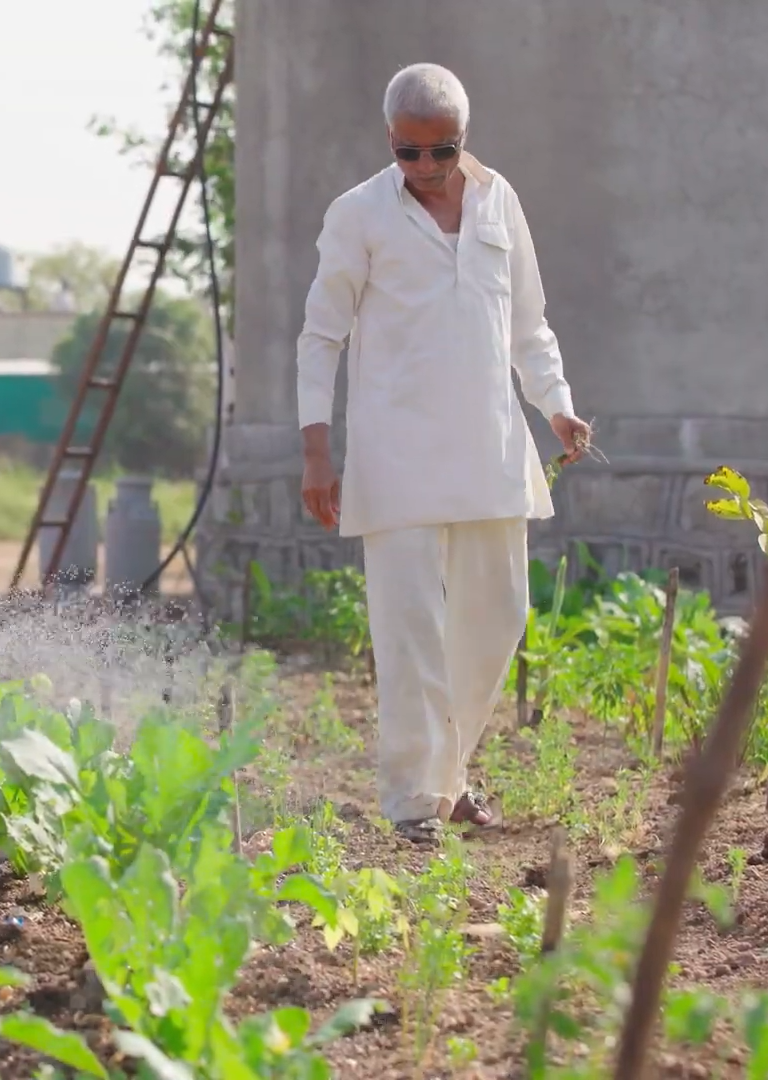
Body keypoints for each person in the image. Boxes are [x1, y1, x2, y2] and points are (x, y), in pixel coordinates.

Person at [294, 63, 590, 841]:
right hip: (395, 459)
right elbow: (320, 334)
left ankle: (447, 779)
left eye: (441, 151)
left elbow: (529, 323)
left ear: (465, 137)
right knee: (410, 633)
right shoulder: (357, 214)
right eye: (408, 152)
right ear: (388, 140)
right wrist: (316, 450)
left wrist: (555, 406)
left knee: (500, 616)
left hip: (492, 448)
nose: (425, 168)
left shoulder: (501, 201)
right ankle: (412, 801)